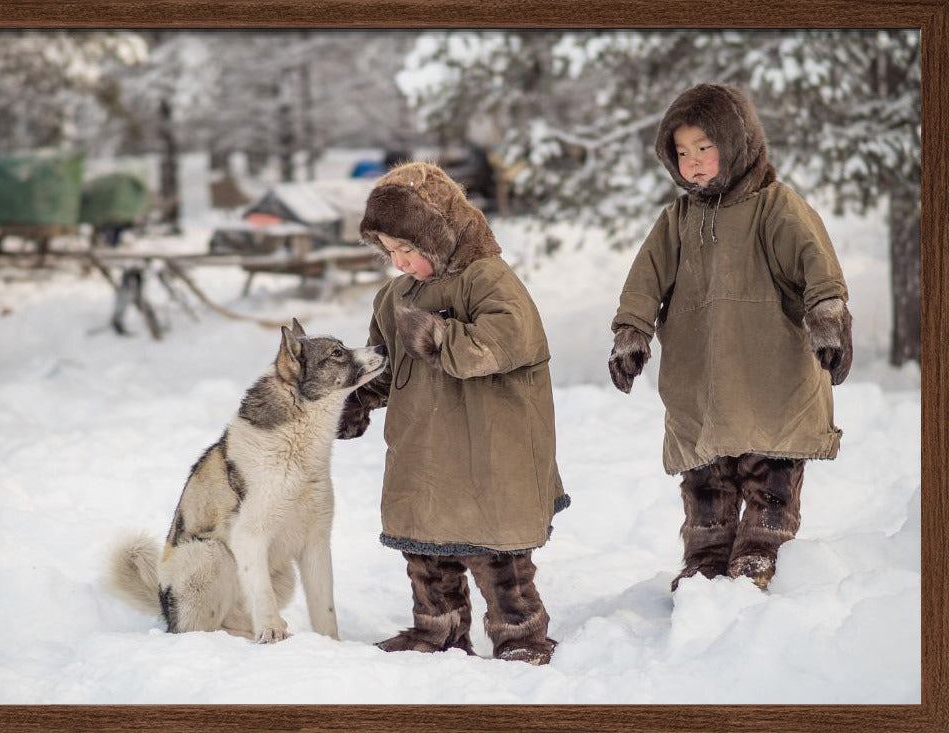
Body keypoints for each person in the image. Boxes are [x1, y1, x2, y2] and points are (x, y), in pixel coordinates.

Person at [607, 83, 853, 591]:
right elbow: (644, 282)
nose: (693, 162)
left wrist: (828, 316)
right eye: (682, 152)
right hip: (701, 380)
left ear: (737, 143)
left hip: (769, 376)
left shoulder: (775, 206)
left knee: (770, 474)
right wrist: (631, 331)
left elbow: (816, 264)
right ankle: (706, 556)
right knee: (706, 479)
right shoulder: (676, 221)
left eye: (705, 147)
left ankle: (762, 547)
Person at [339, 161, 569, 665]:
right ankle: (437, 629)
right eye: (389, 251)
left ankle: (521, 633)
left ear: (438, 235)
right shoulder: (393, 296)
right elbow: (385, 363)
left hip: (488, 446)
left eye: (408, 248)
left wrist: (441, 337)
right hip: (422, 447)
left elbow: (510, 339)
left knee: (497, 554)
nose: (399, 262)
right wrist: (355, 398)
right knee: (425, 549)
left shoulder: (488, 278)